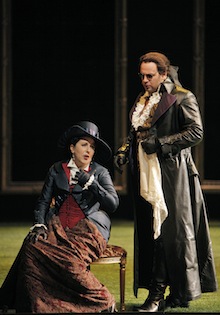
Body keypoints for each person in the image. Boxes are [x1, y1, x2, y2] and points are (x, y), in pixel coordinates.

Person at [114, 52, 218, 312]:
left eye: (150, 75)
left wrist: (161, 144)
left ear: (163, 73)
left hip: (173, 175)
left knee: (168, 233)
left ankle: (158, 296)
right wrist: (125, 149)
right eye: (142, 76)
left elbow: (196, 132)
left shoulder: (183, 96)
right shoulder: (143, 99)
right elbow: (136, 131)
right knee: (153, 233)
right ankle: (170, 295)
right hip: (146, 173)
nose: (145, 80)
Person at [0, 121, 119, 313]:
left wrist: (91, 183)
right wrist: (39, 223)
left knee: (69, 260)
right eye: (84, 144)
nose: (89, 150)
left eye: (92, 146)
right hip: (59, 227)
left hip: (89, 228)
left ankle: (103, 301)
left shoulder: (99, 172)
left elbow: (113, 204)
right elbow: (43, 202)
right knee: (31, 247)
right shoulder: (56, 169)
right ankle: (40, 304)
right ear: (72, 148)